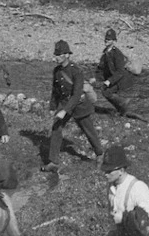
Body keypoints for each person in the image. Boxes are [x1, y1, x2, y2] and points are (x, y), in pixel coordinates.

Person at [42, 40, 104, 173]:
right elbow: (55, 90)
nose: (56, 57)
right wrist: (53, 106)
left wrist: (64, 111)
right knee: (56, 128)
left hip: (79, 105)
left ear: (66, 55)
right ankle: (53, 162)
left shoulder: (76, 71)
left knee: (88, 131)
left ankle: (100, 155)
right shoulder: (57, 71)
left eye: (58, 55)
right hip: (65, 104)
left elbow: (76, 94)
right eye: (56, 54)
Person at [102, 145, 149, 236]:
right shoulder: (111, 186)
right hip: (123, 235)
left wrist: (124, 218)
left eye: (109, 171)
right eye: (105, 170)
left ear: (121, 171)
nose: (105, 174)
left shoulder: (138, 189)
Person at [91, 28, 134, 116]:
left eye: (109, 39)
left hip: (121, 79)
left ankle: (123, 103)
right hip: (114, 78)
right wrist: (95, 79)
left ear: (114, 41)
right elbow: (100, 68)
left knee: (106, 92)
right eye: (106, 38)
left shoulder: (117, 54)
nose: (106, 40)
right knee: (106, 91)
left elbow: (120, 72)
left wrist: (109, 81)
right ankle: (122, 110)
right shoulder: (105, 53)